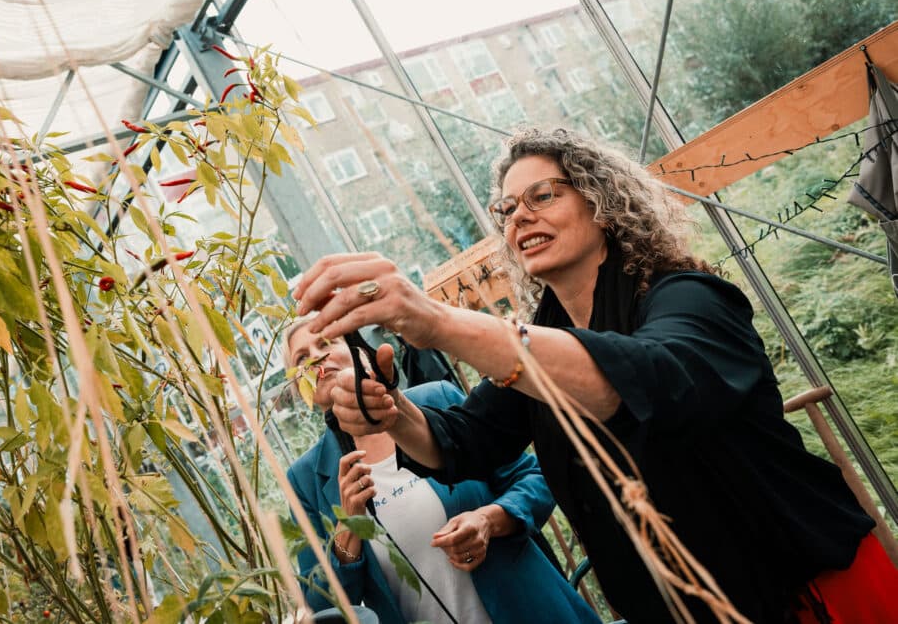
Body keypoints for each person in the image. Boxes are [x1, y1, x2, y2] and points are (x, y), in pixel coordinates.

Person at [291, 127, 898, 624]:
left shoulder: (686, 297)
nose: (518, 217)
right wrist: (393, 412)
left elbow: (643, 379)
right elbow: (464, 441)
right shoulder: (542, 338)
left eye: (543, 196)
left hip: (803, 590)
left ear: (601, 201)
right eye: (506, 209)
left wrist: (437, 321)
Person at [283, 316, 601, 624]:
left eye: (326, 341)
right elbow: (324, 607)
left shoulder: (436, 399)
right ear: (300, 388)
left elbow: (533, 476)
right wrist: (347, 529)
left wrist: (489, 520)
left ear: (358, 348)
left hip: (529, 609)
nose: (315, 356)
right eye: (301, 357)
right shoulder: (305, 479)